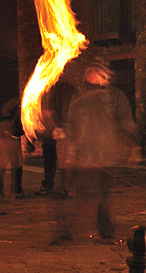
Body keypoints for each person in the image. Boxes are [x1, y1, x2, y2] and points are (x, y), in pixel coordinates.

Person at [52, 62, 139, 244]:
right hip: (86, 158)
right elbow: (73, 127)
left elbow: (127, 124)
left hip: (104, 157)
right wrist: (67, 143)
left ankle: (101, 233)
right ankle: (73, 232)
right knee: (84, 195)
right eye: (88, 77)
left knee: (101, 197)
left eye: (94, 76)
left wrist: (130, 144)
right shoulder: (80, 100)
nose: (91, 80)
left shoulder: (115, 98)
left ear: (103, 77)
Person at [36, 80, 78, 196]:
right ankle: (50, 185)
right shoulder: (46, 90)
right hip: (50, 134)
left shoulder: (68, 90)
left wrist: (62, 126)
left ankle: (67, 187)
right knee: (50, 160)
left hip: (62, 133)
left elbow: (69, 111)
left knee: (65, 161)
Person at [0, 98, 27, 199]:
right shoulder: (13, 111)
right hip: (10, 137)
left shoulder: (19, 111)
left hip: (13, 138)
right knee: (0, 168)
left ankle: (15, 190)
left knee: (15, 166)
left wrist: (20, 160)